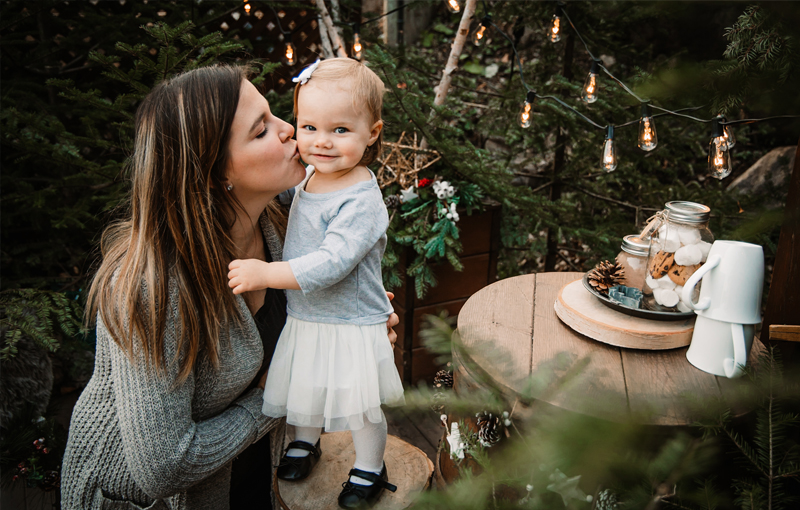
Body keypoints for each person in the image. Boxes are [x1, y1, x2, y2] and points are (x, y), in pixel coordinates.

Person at [61, 64, 399, 510]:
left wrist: (351, 330)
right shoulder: (150, 287)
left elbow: (333, 270)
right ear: (216, 171)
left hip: (256, 470)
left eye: (277, 116)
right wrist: (280, 391)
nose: (289, 132)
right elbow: (166, 466)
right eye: (261, 131)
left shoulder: (285, 219)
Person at [227, 58, 405, 509]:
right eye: (309, 126)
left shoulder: (361, 198)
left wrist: (265, 273)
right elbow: (286, 201)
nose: (321, 142)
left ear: (373, 132)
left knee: (362, 406)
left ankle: (369, 466)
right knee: (303, 387)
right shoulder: (310, 176)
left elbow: (331, 263)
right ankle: (305, 442)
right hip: (307, 315)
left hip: (351, 320)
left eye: (341, 130)